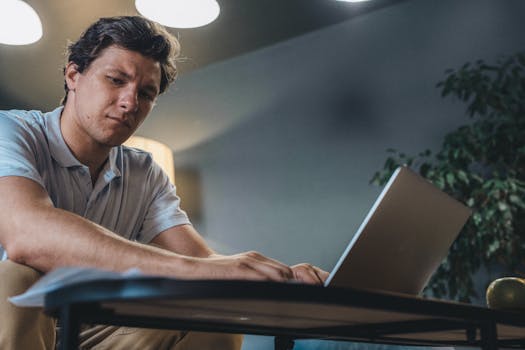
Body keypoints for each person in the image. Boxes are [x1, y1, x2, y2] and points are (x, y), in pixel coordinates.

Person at [0, 16, 328, 350]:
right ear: (73, 76)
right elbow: (27, 235)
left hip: (87, 327)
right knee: (17, 276)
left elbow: (205, 264)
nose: (130, 103)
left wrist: (284, 277)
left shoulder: (144, 172)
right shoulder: (12, 131)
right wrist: (192, 271)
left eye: (146, 93)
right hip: (14, 318)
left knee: (215, 315)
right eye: (115, 80)